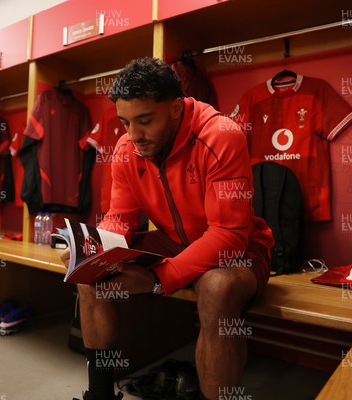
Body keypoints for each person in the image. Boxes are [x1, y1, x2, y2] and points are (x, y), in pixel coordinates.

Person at [62, 58, 274, 400]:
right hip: (174, 241)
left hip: (238, 248)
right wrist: (96, 247)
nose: (133, 135)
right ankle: (100, 394)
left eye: (145, 121)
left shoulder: (221, 135)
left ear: (176, 108)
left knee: (217, 288)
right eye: (125, 122)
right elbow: (121, 218)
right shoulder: (127, 149)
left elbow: (229, 233)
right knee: (92, 272)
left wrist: (160, 278)